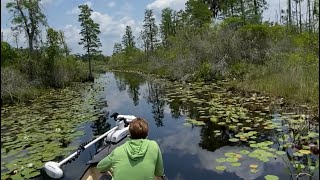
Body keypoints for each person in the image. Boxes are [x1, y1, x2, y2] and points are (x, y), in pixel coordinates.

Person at [97, 118, 165, 180]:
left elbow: (100, 167)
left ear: (129, 135)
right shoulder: (154, 146)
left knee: (105, 177)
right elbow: (159, 173)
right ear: (147, 135)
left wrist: (112, 169)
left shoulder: (118, 151)